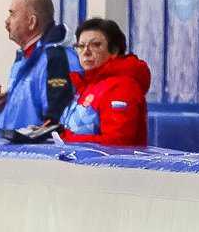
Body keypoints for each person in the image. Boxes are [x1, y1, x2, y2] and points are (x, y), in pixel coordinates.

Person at [0, 0, 78, 140]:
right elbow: (18, 119)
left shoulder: (54, 60)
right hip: (18, 154)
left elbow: (53, 126)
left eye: (12, 14)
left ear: (32, 22)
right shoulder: (25, 59)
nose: (7, 21)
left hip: (36, 158)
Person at [59, 18, 151, 147]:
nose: (86, 52)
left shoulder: (123, 87)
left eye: (95, 45)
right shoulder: (86, 85)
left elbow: (118, 143)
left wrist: (65, 139)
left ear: (114, 51)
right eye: (81, 46)